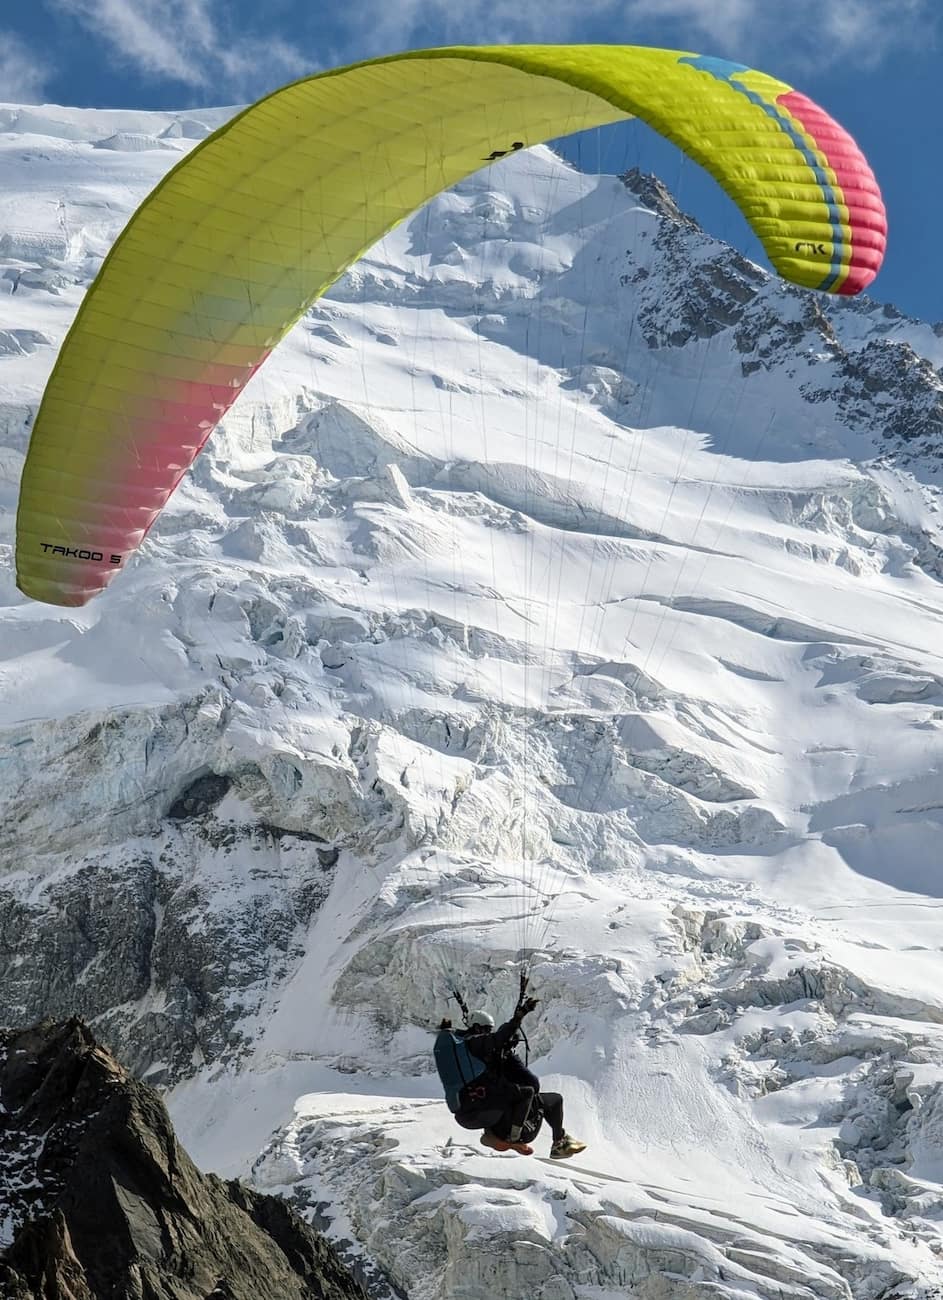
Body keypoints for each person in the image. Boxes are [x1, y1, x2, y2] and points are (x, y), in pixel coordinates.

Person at [434, 996, 587, 1158]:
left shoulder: (466, 1052)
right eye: (486, 1029)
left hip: (467, 1112)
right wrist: (518, 1018)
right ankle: (519, 1139)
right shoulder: (475, 1044)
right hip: (483, 1108)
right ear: (477, 1027)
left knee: (511, 1093)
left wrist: (505, 1051)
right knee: (529, 1093)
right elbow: (499, 1039)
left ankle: (494, 1134)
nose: (488, 1033)